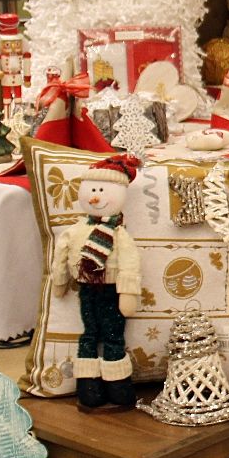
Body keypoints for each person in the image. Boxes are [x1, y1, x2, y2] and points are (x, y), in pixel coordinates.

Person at [50, 154, 143, 410]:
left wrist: (128, 292)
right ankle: (88, 386)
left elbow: (130, 262)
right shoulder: (76, 230)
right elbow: (61, 255)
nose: (95, 197)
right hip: (87, 289)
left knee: (114, 335)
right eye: (92, 190)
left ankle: (118, 386)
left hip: (112, 291)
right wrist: (60, 280)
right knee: (89, 333)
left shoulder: (119, 233)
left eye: (101, 191)